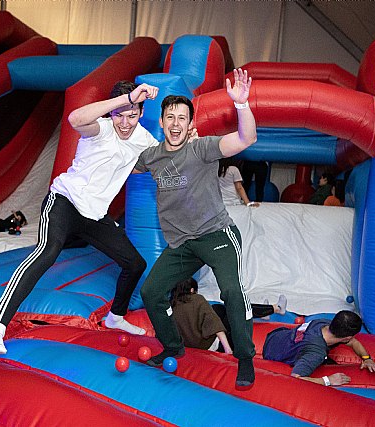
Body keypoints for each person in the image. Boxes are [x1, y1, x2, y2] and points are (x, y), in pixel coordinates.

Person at [0, 80, 160, 355]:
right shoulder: (101, 128)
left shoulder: (143, 139)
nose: (125, 123)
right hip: (64, 201)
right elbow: (75, 119)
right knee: (47, 251)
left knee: (135, 264)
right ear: (112, 112)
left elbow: (161, 159)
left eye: (132, 115)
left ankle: (115, 317)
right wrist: (126, 100)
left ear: (142, 113)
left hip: (94, 215)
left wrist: (188, 142)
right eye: (119, 115)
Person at [135, 69, 259, 388]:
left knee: (231, 291)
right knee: (151, 292)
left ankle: (245, 357)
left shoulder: (201, 148)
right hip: (182, 244)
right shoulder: (151, 157)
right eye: (170, 117)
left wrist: (242, 105)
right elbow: (122, 159)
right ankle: (173, 346)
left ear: (190, 124)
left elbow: (246, 139)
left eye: (182, 118)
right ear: (161, 122)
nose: (175, 123)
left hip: (217, 234)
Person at [262, 310, 375, 386]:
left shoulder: (322, 323)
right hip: (272, 354)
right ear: (347, 337)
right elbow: (296, 378)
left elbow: (353, 342)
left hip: (277, 334)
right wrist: (328, 380)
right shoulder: (315, 353)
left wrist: (367, 359)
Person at [170, 277, 287, 354]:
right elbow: (214, 323)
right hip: (211, 345)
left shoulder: (172, 304)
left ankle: (265, 312)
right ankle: (275, 308)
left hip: (192, 344)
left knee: (218, 309)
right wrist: (228, 349)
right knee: (233, 310)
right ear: (191, 290)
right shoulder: (197, 299)